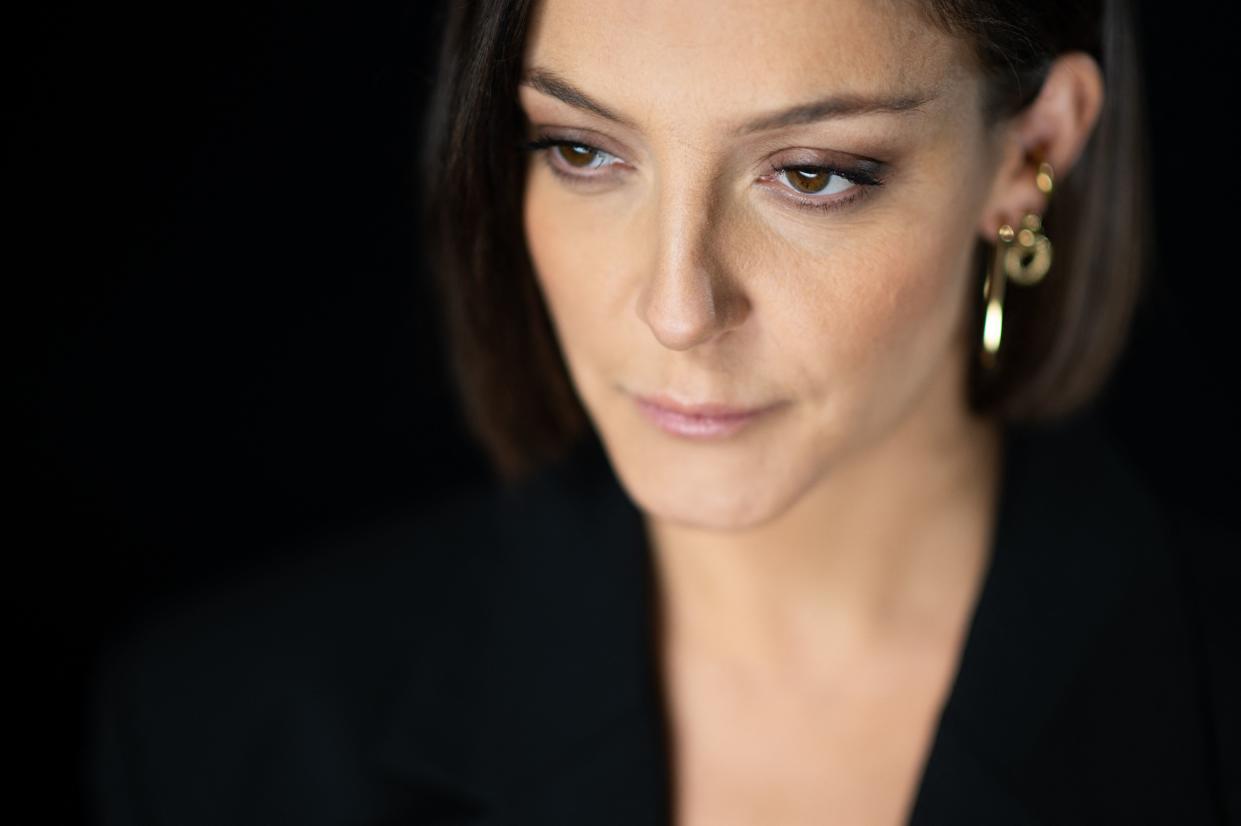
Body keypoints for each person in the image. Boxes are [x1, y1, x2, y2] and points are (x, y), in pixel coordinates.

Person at [86, 1, 1239, 824]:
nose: (677, 306)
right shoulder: (225, 738)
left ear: (1029, 156)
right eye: (582, 150)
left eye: (811, 174)